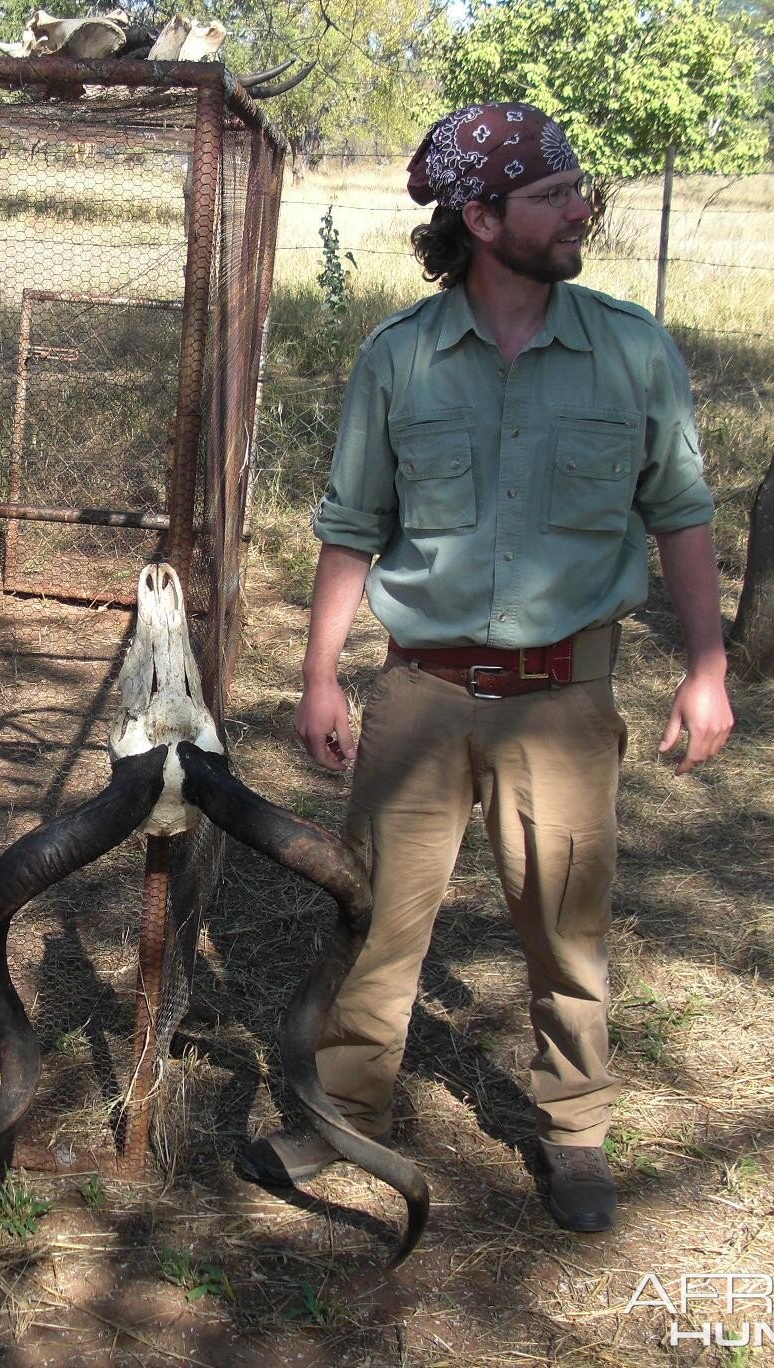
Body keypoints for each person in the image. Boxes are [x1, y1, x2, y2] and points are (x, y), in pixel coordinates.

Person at [238, 102, 734, 1233]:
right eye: (553, 195)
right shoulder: (400, 360)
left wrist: (706, 667)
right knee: (376, 923)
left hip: (565, 698)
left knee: (566, 925)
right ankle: (341, 1114)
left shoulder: (631, 349)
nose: (578, 212)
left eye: (576, 190)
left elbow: (684, 517)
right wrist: (321, 675)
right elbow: (353, 524)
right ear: (481, 217)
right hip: (420, 694)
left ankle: (575, 1133)